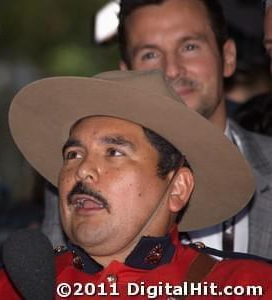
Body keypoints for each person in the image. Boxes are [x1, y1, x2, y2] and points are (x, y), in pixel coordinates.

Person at [0, 70, 272, 299]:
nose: (82, 171)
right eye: (73, 154)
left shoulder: (247, 287)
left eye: (114, 152)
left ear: (177, 188)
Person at [114, 0, 272, 259]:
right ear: (126, 74)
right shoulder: (90, 179)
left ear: (228, 57)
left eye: (189, 47)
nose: (172, 69)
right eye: (150, 55)